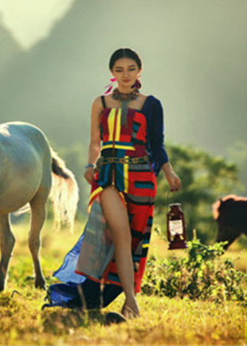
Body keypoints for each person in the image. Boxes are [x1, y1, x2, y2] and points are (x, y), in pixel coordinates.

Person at [44, 48, 181, 321]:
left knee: (133, 242)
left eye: (131, 69)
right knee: (120, 234)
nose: (125, 75)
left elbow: (157, 144)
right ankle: (131, 304)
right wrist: (89, 165)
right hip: (108, 175)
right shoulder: (100, 103)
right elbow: (95, 141)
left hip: (142, 177)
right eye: (119, 70)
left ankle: (120, 300)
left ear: (139, 71)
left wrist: (169, 172)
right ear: (112, 73)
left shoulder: (152, 104)